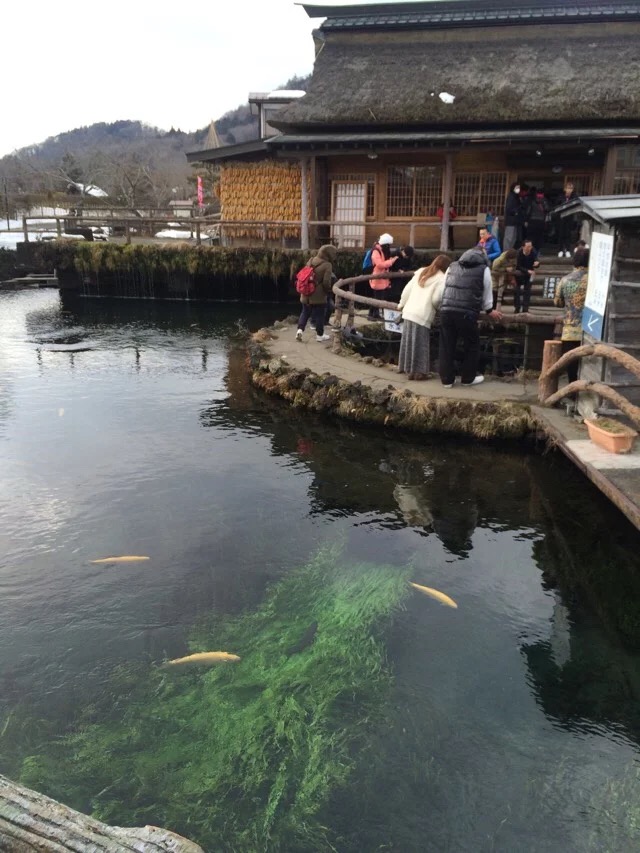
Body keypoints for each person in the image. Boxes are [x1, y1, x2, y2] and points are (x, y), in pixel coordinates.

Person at [438, 247, 503, 388]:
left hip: (447, 309)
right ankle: (468, 378)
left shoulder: (452, 266)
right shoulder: (483, 269)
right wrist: (489, 309)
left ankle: (447, 380)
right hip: (467, 312)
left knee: (446, 345)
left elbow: (444, 287)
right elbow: (487, 290)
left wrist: (444, 305)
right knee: (472, 344)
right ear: (482, 257)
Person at [397, 254, 451, 380]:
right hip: (422, 314)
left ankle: (407, 369)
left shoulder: (421, 272)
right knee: (421, 345)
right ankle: (419, 373)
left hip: (409, 311)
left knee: (408, 342)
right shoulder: (442, 279)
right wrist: (438, 308)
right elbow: (436, 299)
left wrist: (401, 304)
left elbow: (406, 290)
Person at [553, 247, 589, 385]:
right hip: (590, 329)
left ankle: (572, 391)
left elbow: (558, 302)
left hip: (569, 328)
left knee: (571, 362)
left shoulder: (565, 280)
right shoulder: (594, 280)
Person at [295, 244, 337, 342]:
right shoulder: (327, 265)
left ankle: (299, 330)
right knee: (320, 315)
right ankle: (320, 335)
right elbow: (327, 282)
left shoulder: (311, 260)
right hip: (318, 296)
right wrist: (329, 291)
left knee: (305, 312)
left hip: (305, 293)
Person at [367, 232, 396, 320]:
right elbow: (379, 265)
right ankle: (374, 314)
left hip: (382, 277)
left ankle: (372, 314)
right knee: (377, 297)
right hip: (377, 277)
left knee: (378, 297)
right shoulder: (376, 251)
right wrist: (391, 262)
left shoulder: (381, 250)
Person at [514, 239, 540, 314]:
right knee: (517, 291)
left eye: (530, 246)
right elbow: (518, 266)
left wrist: (537, 263)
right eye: (528, 247)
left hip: (529, 273)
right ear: (523, 247)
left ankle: (525, 308)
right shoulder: (519, 253)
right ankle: (517, 307)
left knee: (527, 291)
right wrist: (527, 271)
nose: (529, 248)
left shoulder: (533, 251)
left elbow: (536, 261)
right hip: (519, 273)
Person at [553, 182, 578, 258]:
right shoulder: (561, 197)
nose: (569, 190)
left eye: (571, 188)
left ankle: (567, 250)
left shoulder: (574, 197)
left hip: (570, 218)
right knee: (561, 235)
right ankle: (560, 250)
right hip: (561, 218)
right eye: (568, 188)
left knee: (568, 235)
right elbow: (556, 207)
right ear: (565, 189)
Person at [503, 182, 523, 250]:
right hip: (510, 221)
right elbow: (509, 208)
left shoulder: (516, 197)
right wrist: (516, 212)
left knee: (513, 238)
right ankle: (506, 252)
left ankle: (509, 252)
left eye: (519, 188)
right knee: (509, 237)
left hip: (515, 221)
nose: (518, 189)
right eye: (517, 188)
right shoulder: (511, 196)